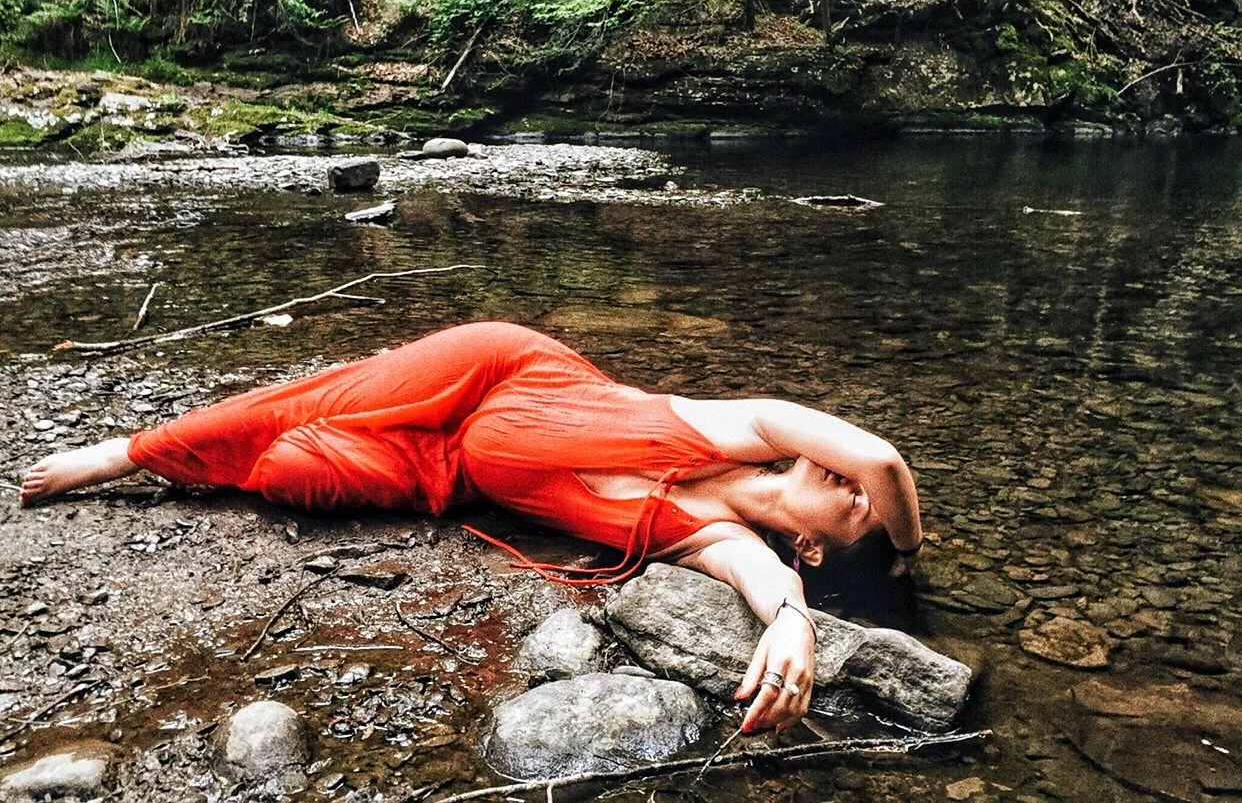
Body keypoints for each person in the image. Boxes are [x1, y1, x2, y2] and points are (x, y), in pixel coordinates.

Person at [18, 321, 923, 734]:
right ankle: (127, 452)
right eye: (856, 487)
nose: (850, 482)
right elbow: (883, 460)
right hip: (500, 371)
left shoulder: (710, 537)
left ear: (808, 544)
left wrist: (796, 618)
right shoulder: (750, 425)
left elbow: (763, 584)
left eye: (851, 510)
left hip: (456, 476)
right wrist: (909, 550)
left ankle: (202, 457)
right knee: (304, 405)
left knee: (290, 472)